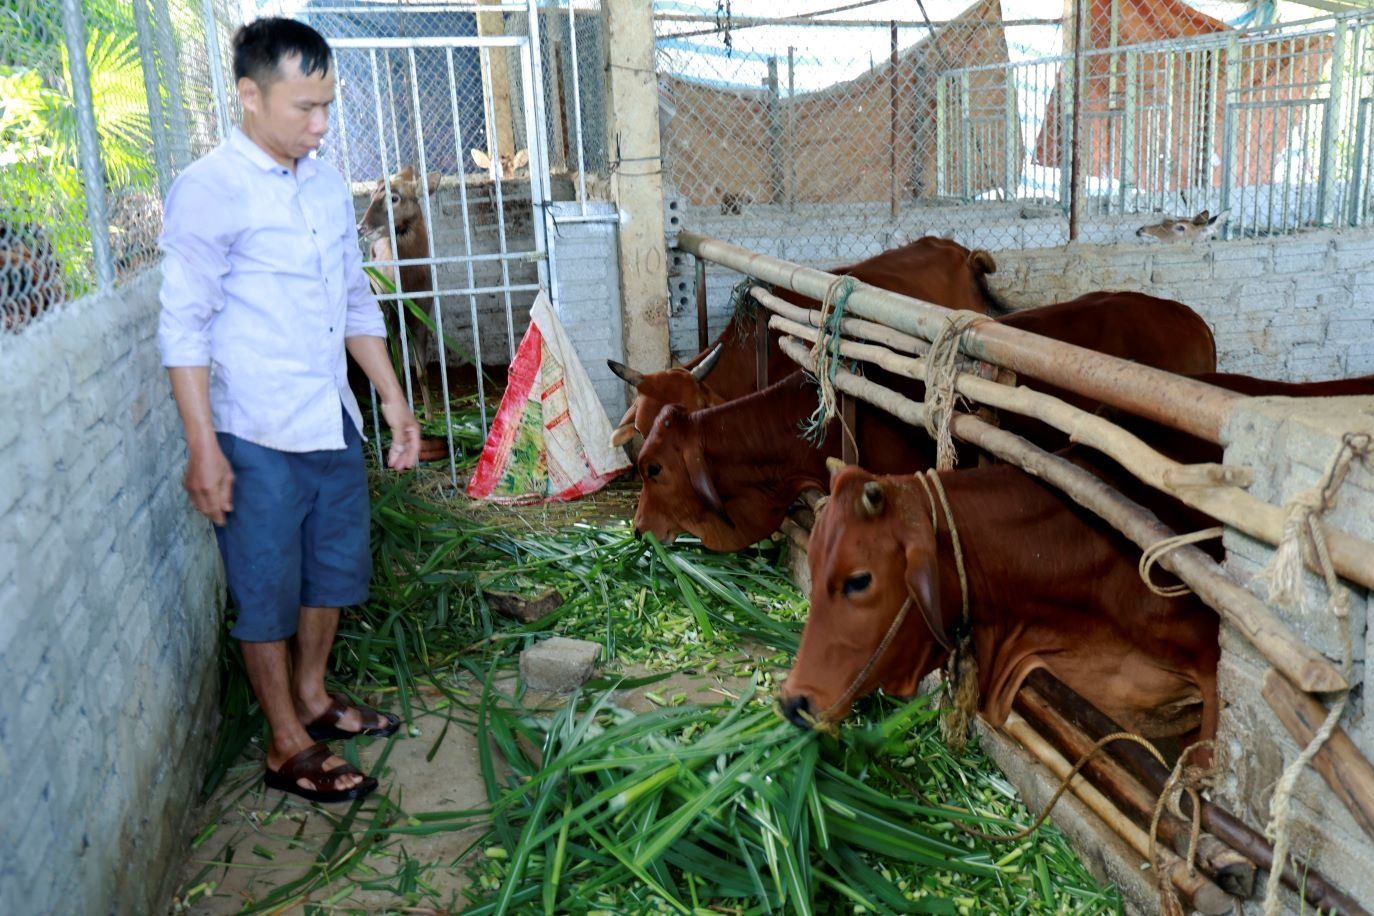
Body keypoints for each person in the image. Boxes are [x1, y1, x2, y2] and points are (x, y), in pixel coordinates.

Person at [158, 17, 422, 804]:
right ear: (250, 95)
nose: (320, 124)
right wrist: (203, 447)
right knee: (266, 582)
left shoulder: (326, 184)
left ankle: (312, 696)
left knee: (333, 568)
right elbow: (184, 327)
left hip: (329, 415)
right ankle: (284, 742)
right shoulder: (210, 188)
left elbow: (354, 300)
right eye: (305, 107)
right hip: (254, 427)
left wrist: (391, 399)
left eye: (327, 106)